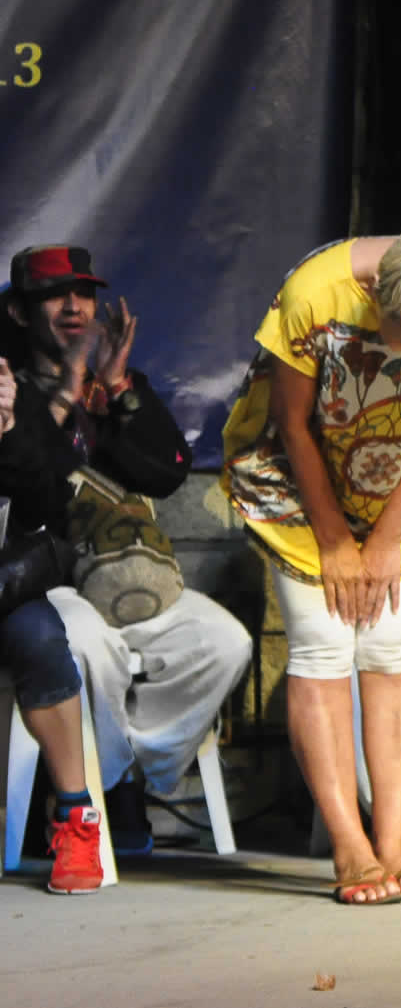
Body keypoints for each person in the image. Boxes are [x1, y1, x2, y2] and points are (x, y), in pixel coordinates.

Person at [222, 227, 401, 903]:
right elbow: (291, 424)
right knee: (323, 647)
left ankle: (396, 844)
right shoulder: (315, 295)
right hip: (298, 473)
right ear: (378, 294)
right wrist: (334, 541)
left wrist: (384, 537)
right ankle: (352, 849)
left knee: (389, 647)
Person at [1, 245, 252, 859]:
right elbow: (38, 474)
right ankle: (97, 797)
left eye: (83, 294)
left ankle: (127, 772)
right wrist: (67, 389)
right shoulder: (11, 387)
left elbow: (167, 472)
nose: (73, 307)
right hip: (54, 578)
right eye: (54, 296)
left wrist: (114, 386)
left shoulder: (114, 386)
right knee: (88, 650)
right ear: (18, 310)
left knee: (225, 644)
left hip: (132, 575)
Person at [0, 352, 107, 894]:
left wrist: (10, 429)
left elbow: (46, 507)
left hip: (5, 587)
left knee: (41, 635)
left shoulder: (22, 403)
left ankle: (74, 816)